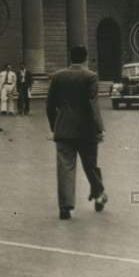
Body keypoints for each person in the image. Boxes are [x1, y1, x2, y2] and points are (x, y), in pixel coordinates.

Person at [47, 45, 107, 219]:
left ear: (70, 57)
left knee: (65, 168)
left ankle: (65, 207)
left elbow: (50, 105)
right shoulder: (90, 76)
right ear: (86, 58)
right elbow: (92, 105)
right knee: (91, 166)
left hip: (63, 130)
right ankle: (99, 195)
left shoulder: (58, 76)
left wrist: (54, 126)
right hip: (86, 130)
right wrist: (99, 128)